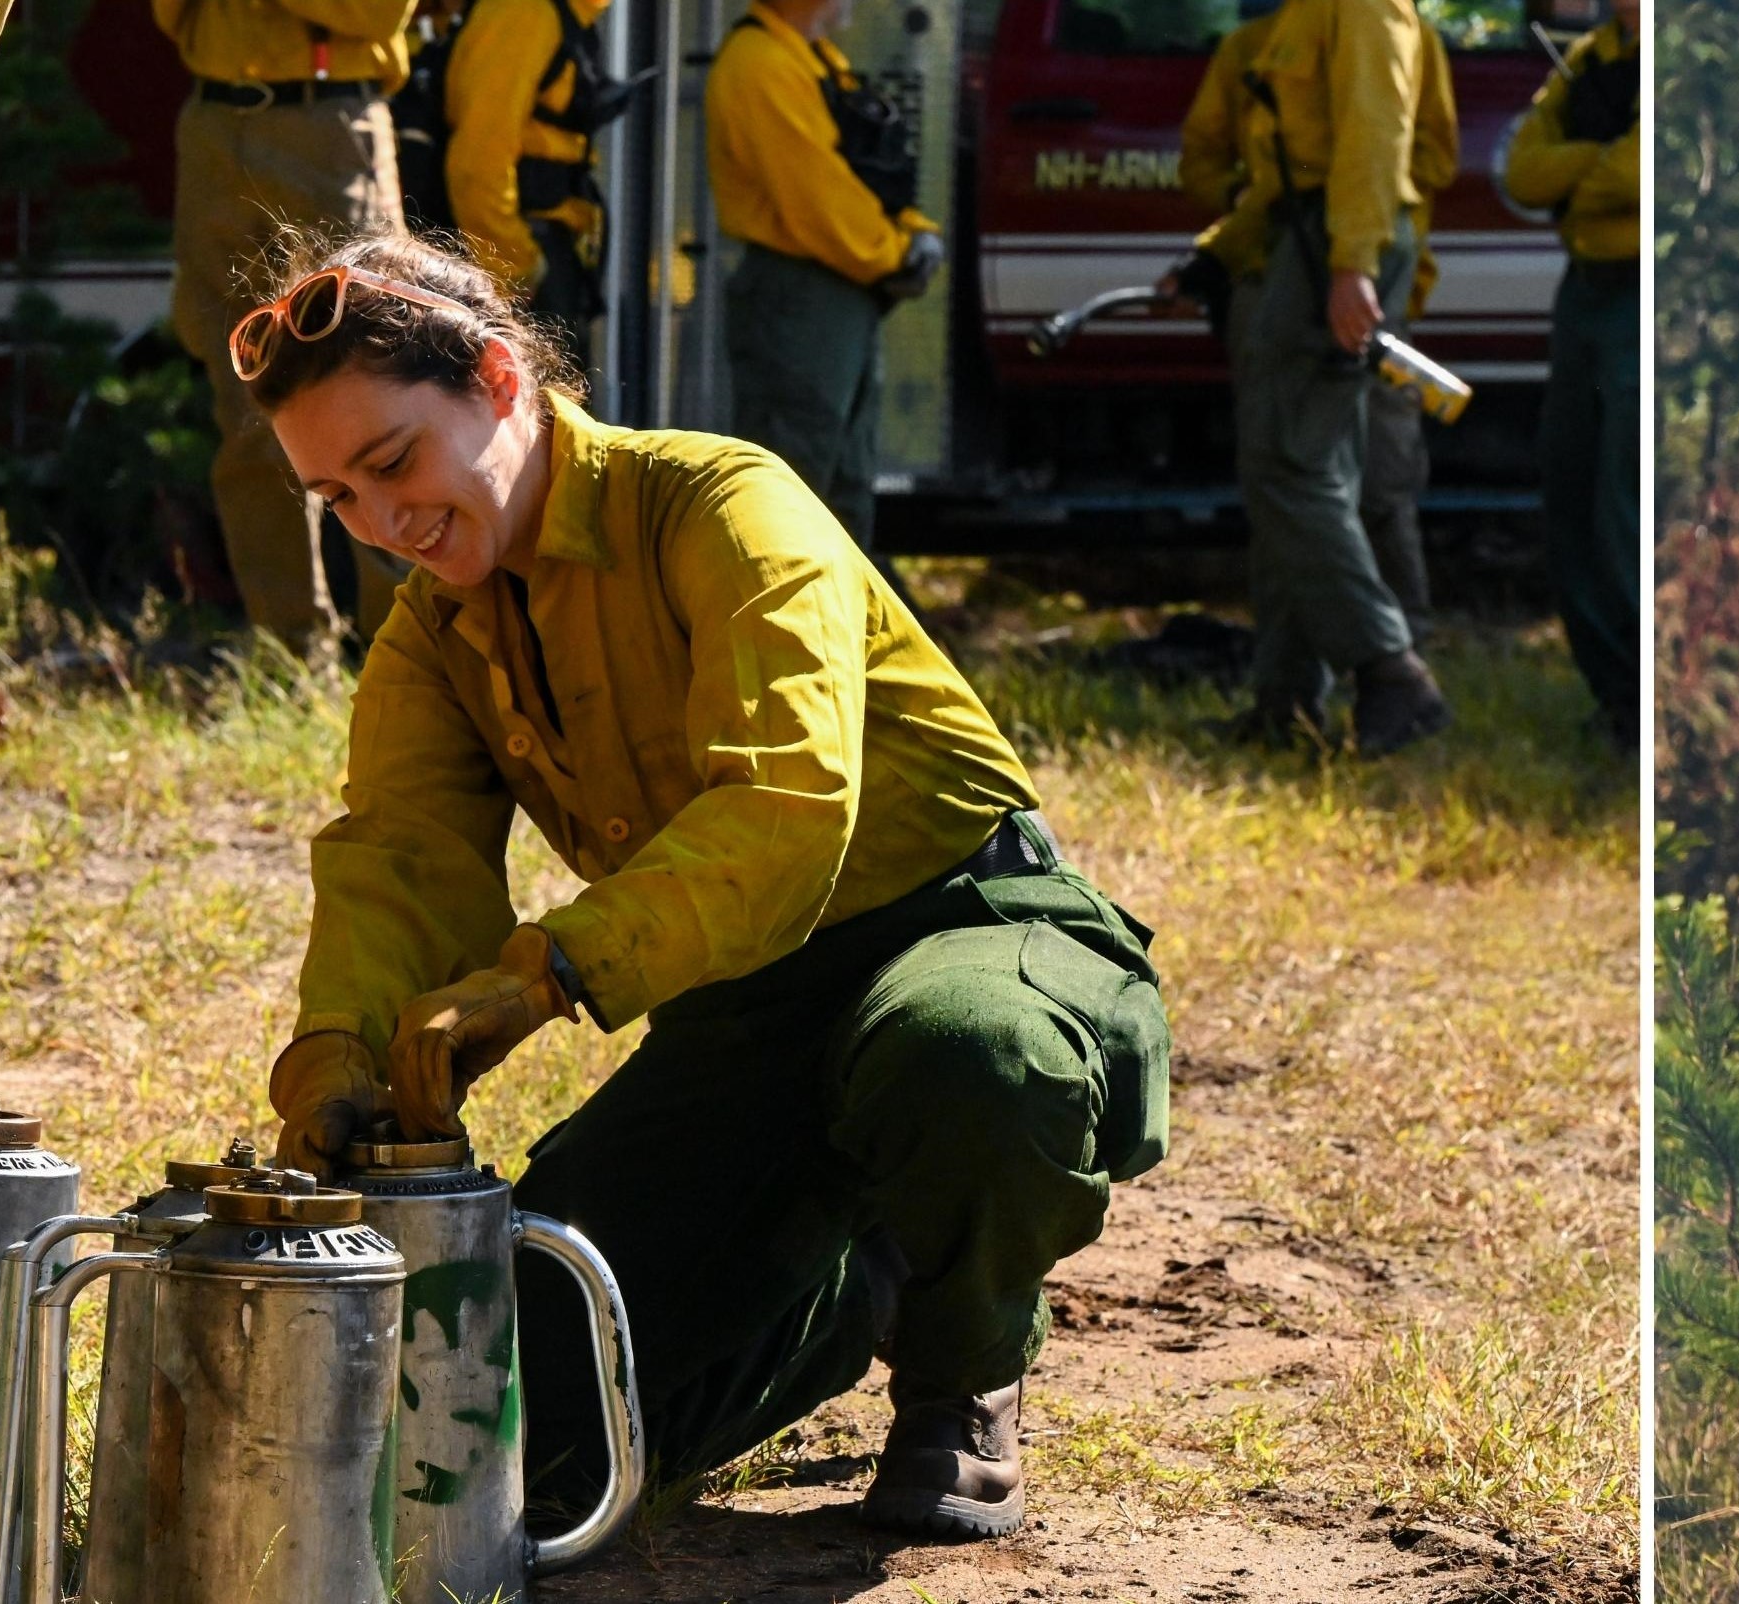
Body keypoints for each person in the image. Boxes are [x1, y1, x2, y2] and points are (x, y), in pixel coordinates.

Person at [235, 230, 1171, 1543]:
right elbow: (399, 857)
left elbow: (783, 810)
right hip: (744, 1002)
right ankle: (847, 1277)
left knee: (973, 1059)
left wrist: (545, 974)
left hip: (963, 925)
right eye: (334, 497)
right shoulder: (433, 633)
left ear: (501, 380)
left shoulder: (722, 504)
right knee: (503, 1421)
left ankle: (961, 1374)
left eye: (392, 460)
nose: (382, 523)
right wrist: (334, 1051)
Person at [1194, 0, 1449, 750]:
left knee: (1289, 465)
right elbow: (1283, 170)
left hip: (1334, 247)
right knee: (1300, 473)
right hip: (1305, 238)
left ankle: (1391, 671)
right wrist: (1218, 250)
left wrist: (1353, 264)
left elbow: (1375, 137)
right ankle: (1286, 702)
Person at [160, 0, 426, 654]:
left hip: (328, 124)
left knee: (373, 387)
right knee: (245, 399)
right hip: (216, 125)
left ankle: (408, 654)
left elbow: (378, 13)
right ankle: (291, 651)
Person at [707, 0, 938, 549]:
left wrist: (908, 231)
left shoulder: (812, 57)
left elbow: (863, 170)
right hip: (799, 292)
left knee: (845, 484)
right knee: (795, 484)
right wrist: (895, 253)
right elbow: (816, 196)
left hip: (841, 286)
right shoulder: (759, 63)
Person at [1501, 0, 1635, 743]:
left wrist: (1580, 173)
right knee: (1573, 498)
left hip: (1639, 294)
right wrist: (1596, 163)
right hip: (1583, 288)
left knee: (1624, 508)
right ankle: (1612, 697)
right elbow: (1523, 172)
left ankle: (1649, 713)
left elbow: (1646, 169)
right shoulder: (1583, 60)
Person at [442, 0, 609, 348]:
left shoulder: (565, 15)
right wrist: (514, 267)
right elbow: (477, 161)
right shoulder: (524, 13)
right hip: (521, 257)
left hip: (546, 245)